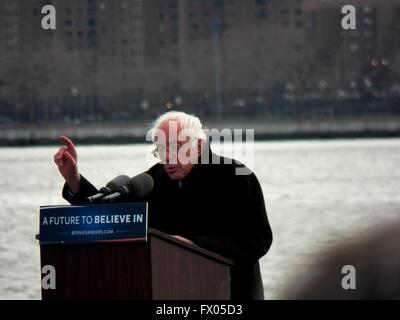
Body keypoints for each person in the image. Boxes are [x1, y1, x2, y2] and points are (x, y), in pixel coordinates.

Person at [54, 111, 273, 300]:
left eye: (175, 147)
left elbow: (258, 240)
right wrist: (74, 180)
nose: (167, 157)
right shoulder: (153, 179)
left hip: (231, 295)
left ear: (198, 145)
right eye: (160, 149)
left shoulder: (235, 176)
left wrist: (194, 245)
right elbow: (113, 218)